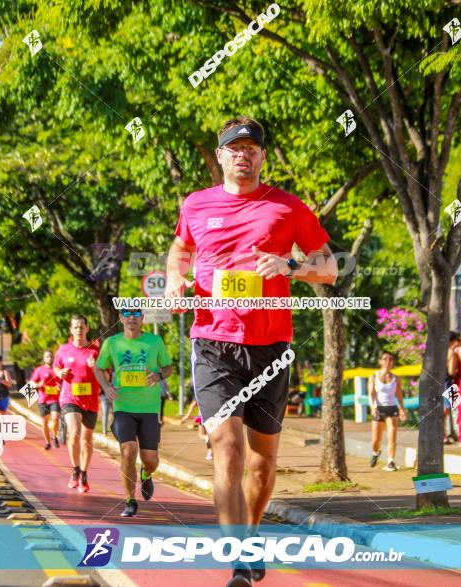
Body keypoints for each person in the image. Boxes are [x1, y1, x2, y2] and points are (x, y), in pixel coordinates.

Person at [165, 116, 337, 587]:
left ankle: (253, 531)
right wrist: (177, 278)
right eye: (233, 147)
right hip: (213, 343)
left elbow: (329, 268)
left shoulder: (287, 207)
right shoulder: (196, 204)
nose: (243, 154)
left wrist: (290, 266)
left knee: (262, 462)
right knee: (228, 450)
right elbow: (180, 250)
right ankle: (239, 558)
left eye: (251, 148)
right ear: (220, 156)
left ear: (263, 156)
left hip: (271, 347)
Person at [96, 308, 173, 517]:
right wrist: (106, 387)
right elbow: (98, 367)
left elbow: (168, 367)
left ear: (143, 318)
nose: (131, 317)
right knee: (128, 451)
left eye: (136, 313)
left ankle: (146, 473)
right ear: (121, 318)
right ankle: (130, 501)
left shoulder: (154, 342)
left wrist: (158, 375)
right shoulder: (112, 343)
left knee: (150, 459)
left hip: (148, 408)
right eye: (126, 313)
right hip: (123, 406)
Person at [54, 315, 103, 494]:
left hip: (90, 399)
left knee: (86, 439)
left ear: (87, 328)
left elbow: (105, 376)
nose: (78, 330)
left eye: (81, 327)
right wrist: (60, 373)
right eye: (75, 327)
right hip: (70, 397)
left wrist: (96, 366)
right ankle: (75, 470)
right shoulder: (64, 349)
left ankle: (83, 473)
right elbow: (56, 367)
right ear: (71, 330)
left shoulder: (95, 351)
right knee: (74, 432)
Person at [368, 351, 407, 471]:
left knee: (392, 435)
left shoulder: (396, 378)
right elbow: (371, 394)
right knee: (375, 440)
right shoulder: (373, 376)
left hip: (392, 408)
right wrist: (373, 407)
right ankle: (375, 452)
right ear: (380, 361)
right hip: (379, 409)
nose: (388, 362)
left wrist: (401, 409)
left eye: (390, 359)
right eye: (385, 359)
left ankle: (391, 461)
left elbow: (399, 395)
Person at [30, 350, 61, 449]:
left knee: (55, 418)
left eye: (51, 356)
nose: (49, 358)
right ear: (44, 359)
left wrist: (60, 386)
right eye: (47, 357)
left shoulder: (57, 370)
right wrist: (38, 385)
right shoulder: (39, 370)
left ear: (53, 358)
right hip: (43, 400)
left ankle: (54, 435)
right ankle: (48, 442)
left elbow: (63, 382)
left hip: (55, 399)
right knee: (44, 423)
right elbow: (32, 383)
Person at [444, 332, 461, 445]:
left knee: (446, 410)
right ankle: (453, 433)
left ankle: (446, 433)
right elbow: (451, 371)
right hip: (448, 382)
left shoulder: (440, 352)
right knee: (453, 408)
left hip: (441, 382)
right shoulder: (451, 352)